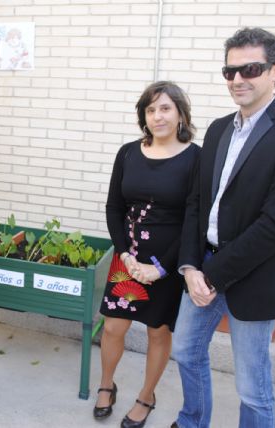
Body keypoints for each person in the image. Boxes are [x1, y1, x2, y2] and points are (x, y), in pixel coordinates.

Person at [171, 27, 275, 428]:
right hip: (203, 266)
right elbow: (197, 203)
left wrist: (212, 277)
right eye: (229, 71)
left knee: (252, 388)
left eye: (250, 68)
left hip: (253, 274)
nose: (237, 79)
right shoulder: (219, 128)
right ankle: (192, 420)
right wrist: (189, 267)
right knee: (185, 351)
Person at [95, 81, 200, 428]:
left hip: (166, 265)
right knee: (112, 328)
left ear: (181, 114)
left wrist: (161, 268)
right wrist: (125, 256)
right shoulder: (128, 152)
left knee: (158, 331)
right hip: (128, 259)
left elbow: (192, 219)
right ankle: (106, 385)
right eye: (151, 109)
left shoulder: (196, 159)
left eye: (166, 108)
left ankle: (147, 395)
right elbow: (114, 207)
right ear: (144, 115)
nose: (158, 116)